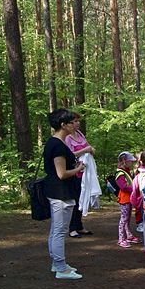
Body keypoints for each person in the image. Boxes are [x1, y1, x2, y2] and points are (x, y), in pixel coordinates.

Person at [43, 109, 85, 280]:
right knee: (59, 231)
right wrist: (78, 169)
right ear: (63, 125)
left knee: (56, 230)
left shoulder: (55, 143)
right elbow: (61, 173)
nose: (75, 125)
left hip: (59, 192)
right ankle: (61, 268)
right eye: (71, 122)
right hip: (60, 193)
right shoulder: (58, 146)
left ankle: (58, 264)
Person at [63, 114, 98, 238]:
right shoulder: (67, 138)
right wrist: (85, 150)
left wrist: (91, 150)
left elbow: (89, 147)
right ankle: (72, 228)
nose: (77, 123)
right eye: (74, 121)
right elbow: (70, 154)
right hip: (74, 173)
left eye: (78, 121)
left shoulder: (80, 134)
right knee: (75, 200)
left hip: (85, 173)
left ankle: (79, 226)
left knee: (82, 199)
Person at [115, 152, 141, 248]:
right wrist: (135, 190)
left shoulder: (127, 171)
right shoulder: (120, 173)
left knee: (127, 218)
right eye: (130, 161)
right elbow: (123, 187)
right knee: (124, 219)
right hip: (124, 199)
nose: (132, 163)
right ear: (124, 161)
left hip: (128, 198)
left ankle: (128, 235)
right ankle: (121, 239)